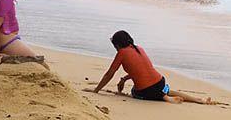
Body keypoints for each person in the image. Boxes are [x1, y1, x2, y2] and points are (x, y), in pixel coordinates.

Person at [87, 30, 215, 105]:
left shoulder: (121, 53)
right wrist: (124, 79)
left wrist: (96, 90)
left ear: (117, 44)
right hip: (160, 82)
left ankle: (165, 98)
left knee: (134, 91)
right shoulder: (139, 49)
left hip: (146, 91)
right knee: (165, 90)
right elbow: (140, 69)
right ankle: (199, 100)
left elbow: (109, 74)